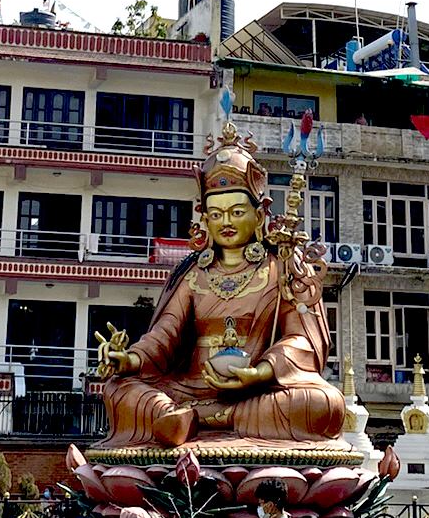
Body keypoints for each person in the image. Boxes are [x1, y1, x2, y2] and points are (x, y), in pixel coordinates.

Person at [96, 121, 345, 446]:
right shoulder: (193, 274)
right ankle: (184, 417)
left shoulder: (282, 265)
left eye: (236, 211)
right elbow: (164, 336)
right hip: (187, 388)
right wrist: (129, 359)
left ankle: (203, 420)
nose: (226, 222)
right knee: (118, 389)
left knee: (325, 404)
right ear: (205, 220)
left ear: (258, 216)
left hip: (257, 390)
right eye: (216, 214)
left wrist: (261, 373)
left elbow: (303, 339)